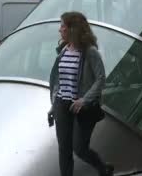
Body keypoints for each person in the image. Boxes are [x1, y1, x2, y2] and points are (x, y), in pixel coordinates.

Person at [48, 12, 113, 176]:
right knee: (64, 149)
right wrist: (54, 104)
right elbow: (58, 79)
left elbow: (101, 78)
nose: (59, 29)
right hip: (62, 104)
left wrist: (84, 100)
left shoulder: (90, 52)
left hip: (83, 107)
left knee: (79, 148)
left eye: (62, 26)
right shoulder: (63, 50)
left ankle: (102, 168)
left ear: (72, 29)